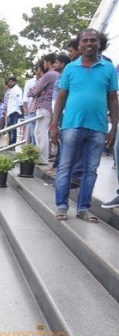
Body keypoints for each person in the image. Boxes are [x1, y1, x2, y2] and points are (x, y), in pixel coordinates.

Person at [51, 29, 118, 222]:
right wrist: (54, 125)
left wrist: (114, 126)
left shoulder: (108, 68)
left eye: (93, 40)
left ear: (99, 43)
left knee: (91, 170)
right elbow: (62, 96)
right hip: (71, 125)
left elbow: (113, 99)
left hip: (98, 127)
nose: (89, 43)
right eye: (85, 41)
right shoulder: (71, 68)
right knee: (65, 167)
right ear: (79, 45)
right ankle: (62, 207)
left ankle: (83, 209)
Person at [29, 53, 60, 165]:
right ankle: (42, 158)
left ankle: (42, 158)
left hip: (44, 106)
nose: (44, 65)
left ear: (48, 62)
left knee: (40, 132)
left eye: (44, 63)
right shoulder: (58, 75)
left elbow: (36, 91)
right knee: (39, 132)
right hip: (50, 107)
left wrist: (34, 92)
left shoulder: (49, 75)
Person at [2, 77, 23, 146]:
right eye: (9, 82)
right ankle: (10, 143)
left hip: (14, 111)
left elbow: (19, 101)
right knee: (9, 128)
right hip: (10, 111)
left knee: (13, 128)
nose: (9, 83)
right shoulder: (11, 90)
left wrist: (22, 111)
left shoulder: (17, 90)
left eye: (11, 82)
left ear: (15, 82)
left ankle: (13, 144)